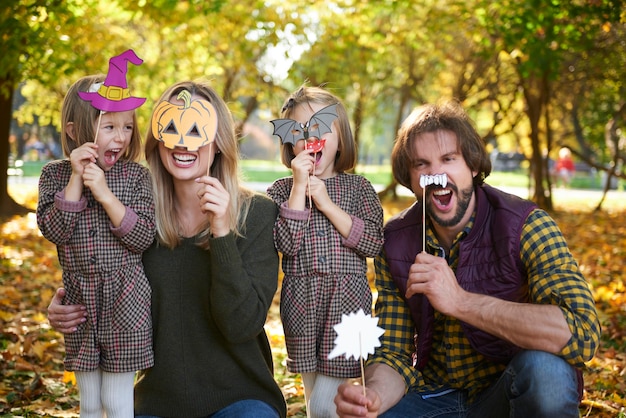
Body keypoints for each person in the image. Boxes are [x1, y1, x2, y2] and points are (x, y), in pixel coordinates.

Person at [334, 100, 600, 418]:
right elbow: (393, 352)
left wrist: (460, 301)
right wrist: (373, 395)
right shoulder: (396, 241)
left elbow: (582, 333)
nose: (437, 175)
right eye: (422, 164)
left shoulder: (526, 225)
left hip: (507, 393)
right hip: (434, 398)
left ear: (472, 166)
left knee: (547, 372)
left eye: (449, 159)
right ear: (411, 176)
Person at [47, 80, 287, 418]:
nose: (182, 142)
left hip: (241, 399)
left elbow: (241, 325)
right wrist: (64, 307)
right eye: (171, 128)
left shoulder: (257, 214)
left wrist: (221, 234)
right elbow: (93, 266)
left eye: (196, 130)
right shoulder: (134, 219)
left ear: (217, 143)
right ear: (157, 142)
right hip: (158, 402)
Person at [37, 49, 154, 418]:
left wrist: (103, 194)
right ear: (75, 131)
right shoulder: (54, 176)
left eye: (127, 127)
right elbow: (56, 230)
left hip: (126, 299)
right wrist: (76, 180)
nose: (119, 137)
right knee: (89, 401)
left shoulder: (136, 177)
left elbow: (141, 237)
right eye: (109, 127)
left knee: (118, 402)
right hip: (80, 299)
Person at [266, 86, 384, 418]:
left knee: (324, 404)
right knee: (315, 390)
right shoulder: (280, 190)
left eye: (319, 128)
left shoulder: (358, 188)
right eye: (299, 132)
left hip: (347, 303)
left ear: (340, 136)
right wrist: (300, 188)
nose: (309, 139)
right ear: (289, 144)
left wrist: (326, 204)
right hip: (301, 302)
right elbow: (285, 244)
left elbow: (372, 242)